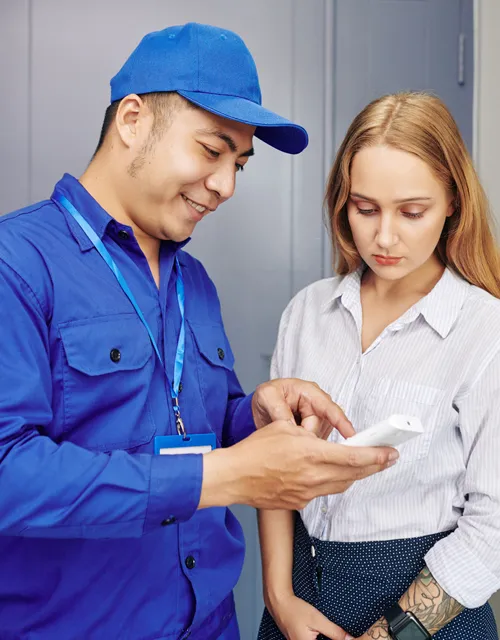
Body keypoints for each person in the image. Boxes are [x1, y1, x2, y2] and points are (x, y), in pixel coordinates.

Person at [0, 22, 397, 640]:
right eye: (212, 151)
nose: (226, 185)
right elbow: (7, 473)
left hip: (213, 624)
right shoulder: (16, 263)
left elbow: (196, 419)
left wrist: (254, 418)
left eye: (239, 163)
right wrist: (224, 477)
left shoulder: (194, 280)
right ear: (132, 120)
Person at [258, 92, 500, 640]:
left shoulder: (486, 330)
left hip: (428, 619)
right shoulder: (307, 312)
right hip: (296, 606)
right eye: (365, 208)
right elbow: (273, 471)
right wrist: (280, 598)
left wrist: (390, 634)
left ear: (453, 204)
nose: (384, 237)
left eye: (412, 212)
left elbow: (494, 526)